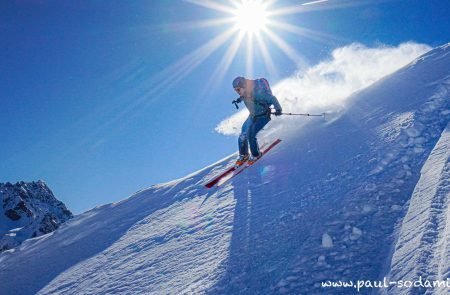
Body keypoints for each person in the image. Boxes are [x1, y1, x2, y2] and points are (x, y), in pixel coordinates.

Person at [232, 76, 282, 165]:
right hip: (252, 116)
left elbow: (272, 98)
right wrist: (238, 100)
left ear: (243, 86)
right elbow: (243, 97)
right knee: (243, 134)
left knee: (251, 133)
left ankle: (256, 154)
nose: (237, 92)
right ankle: (244, 155)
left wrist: (278, 109)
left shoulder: (257, 93)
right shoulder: (243, 94)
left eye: (238, 90)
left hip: (263, 116)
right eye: (235, 90)